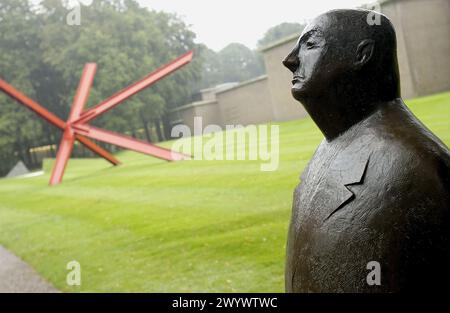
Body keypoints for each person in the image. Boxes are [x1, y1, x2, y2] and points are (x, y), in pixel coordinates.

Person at [283, 9, 450, 292]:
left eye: (310, 44)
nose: (290, 60)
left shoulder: (408, 168)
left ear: (362, 55)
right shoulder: (331, 146)